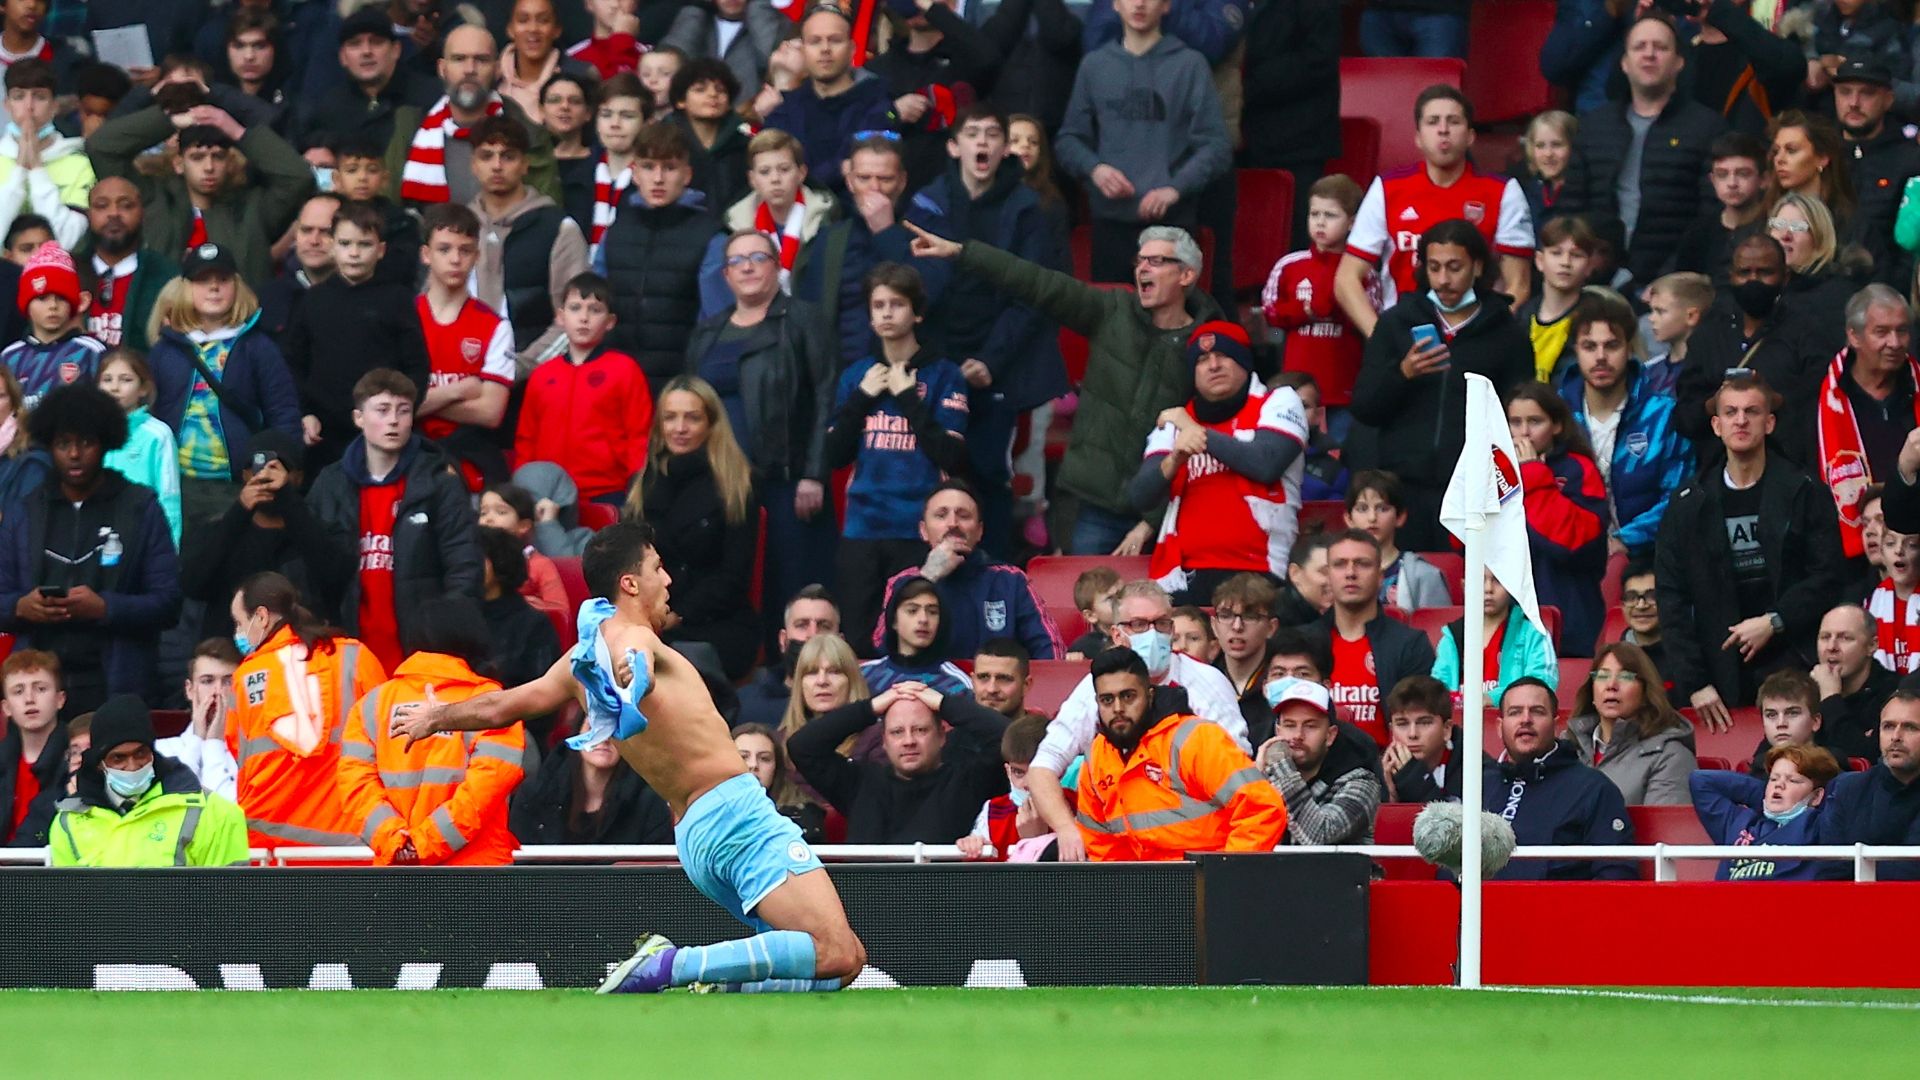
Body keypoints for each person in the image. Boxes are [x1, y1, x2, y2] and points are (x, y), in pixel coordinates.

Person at [392, 522, 869, 994]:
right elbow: (634, 655)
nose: (669, 580)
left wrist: (438, 716)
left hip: (698, 835)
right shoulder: (632, 638)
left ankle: (713, 987)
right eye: (658, 568)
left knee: (836, 968)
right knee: (837, 952)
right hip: (735, 817)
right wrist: (633, 673)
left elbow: (501, 704)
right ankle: (672, 966)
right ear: (630, 583)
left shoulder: (579, 661)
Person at [902, 219, 1218, 557]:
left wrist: (1152, 521)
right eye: (1140, 260)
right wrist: (961, 253)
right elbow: (1037, 282)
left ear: (1186, 275)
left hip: (1169, 510)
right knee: (1085, 606)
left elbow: (1210, 434)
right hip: (1095, 504)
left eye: (1156, 261)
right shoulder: (1112, 311)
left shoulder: (1211, 346)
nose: (1143, 268)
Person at [906, 102, 1069, 553]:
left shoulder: (1027, 208)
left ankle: (994, 577)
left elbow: (1032, 293)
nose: (983, 141)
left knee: (991, 476)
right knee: (930, 473)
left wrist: (990, 361)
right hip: (936, 363)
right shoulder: (927, 202)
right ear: (954, 146)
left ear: (1005, 149)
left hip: (999, 366)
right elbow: (915, 289)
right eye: (972, 133)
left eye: (992, 134)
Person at [1657, 372, 1846, 729]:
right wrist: (1695, 682)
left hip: (1793, 660)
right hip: (1716, 672)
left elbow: (1828, 577)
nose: (1741, 420)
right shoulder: (1686, 504)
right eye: (1731, 412)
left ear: (1770, 422)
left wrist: (1775, 621)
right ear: (1716, 425)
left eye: (1752, 411)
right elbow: (1671, 598)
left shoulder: (1805, 491)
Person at [1021, 579, 1247, 860]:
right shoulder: (1096, 687)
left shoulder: (1209, 683)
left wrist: (1227, 864)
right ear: (1117, 635)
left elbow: (1240, 778)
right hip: (1123, 852)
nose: (1152, 634)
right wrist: (1067, 830)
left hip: (1198, 851)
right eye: (1139, 624)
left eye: (1161, 623)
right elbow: (1042, 767)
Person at [1349, 219, 1534, 550]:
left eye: (1454, 267)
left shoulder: (1507, 333)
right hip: (1402, 488)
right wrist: (1402, 373)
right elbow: (1365, 406)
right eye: (1434, 268)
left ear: (1477, 267)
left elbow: (1518, 410)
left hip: (1473, 489)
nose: (1444, 279)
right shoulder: (1396, 323)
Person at [685, 230, 837, 626]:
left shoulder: (803, 319)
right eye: (737, 260)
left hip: (786, 481)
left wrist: (814, 474)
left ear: (777, 266)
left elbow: (825, 397)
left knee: (791, 585)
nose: (747, 266)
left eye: (758, 257)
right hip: (720, 484)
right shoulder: (707, 331)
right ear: (726, 275)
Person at [0, 383, 178, 713]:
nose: (74, 454)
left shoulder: (140, 506)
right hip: (40, 688)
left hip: (118, 683)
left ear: (105, 442)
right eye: (63, 443)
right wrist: (21, 608)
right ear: (49, 445)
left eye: (86, 443)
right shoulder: (25, 511)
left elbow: (168, 603)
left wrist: (106, 608)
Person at [825, 262, 967, 640]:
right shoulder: (857, 376)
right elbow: (833, 454)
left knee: (913, 635)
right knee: (857, 635)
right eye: (878, 305)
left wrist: (907, 396)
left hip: (916, 530)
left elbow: (949, 455)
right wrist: (861, 399)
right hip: (862, 527)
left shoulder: (944, 375)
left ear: (917, 312)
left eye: (897, 304)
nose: (887, 313)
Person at [306, 368, 483, 671]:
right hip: (347, 649)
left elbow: (464, 565)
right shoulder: (329, 483)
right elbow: (309, 565)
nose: (393, 421)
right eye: (382, 410)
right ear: (359, 418)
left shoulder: (440, 481)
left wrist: (444, 633)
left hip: (422, 650)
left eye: (403, 411)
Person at [339, 597, 525, 866]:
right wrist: (425, 842)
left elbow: (355, 785)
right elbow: (487, 786)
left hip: (398, 873)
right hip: (477, 875)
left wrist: (397, 841)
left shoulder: (372, 705)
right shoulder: (491, 704)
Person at [1335, 86, 1535, 337]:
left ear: (1471, 136)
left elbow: (1519, 284)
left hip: (1476, 336)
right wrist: (1382, 337)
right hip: (1405, 336)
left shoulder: (1503, 191)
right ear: (1418, 137)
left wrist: (1487, 335)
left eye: (1453, 121)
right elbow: (1346, 279)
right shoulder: (1387, 189)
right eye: (1432, 122)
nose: (1443, 129)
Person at [1131, 320, 1307, 604]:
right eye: (1202, 360)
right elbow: (1141, 495)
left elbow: (1266, 464)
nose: (1213, 365)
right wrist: (1175, 457)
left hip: (1258, 572)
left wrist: (1197, 433)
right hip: (1185, 576)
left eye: (1223, 355)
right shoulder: (1175, 422)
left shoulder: (1278, 401)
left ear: (1244, 362)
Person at [86, 72, 313, 290]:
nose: (209, 167)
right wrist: (168, 117)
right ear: (178, 163)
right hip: (166, 322)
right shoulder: (153, 201)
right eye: (197, 157)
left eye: (218, 156)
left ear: (230, 162)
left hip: (239, 323)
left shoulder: (252, 209)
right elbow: (102, 148)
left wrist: (234, 128)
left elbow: (298, 177)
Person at [145, 242, 303, 540]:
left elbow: (283, 412)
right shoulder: (165, 351)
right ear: (185, 288)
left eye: (223, 280)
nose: (214, 288)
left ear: (237, 285)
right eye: (203, 280)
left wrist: (280, 468)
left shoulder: (258, 347)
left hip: (238, 484)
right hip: (177, 484)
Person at [1557, 14, 1724, 291]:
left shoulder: (1707, 128)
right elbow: (1570, 210)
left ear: (1679, 62)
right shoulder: (1594, 126)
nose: (1649, 54)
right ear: (1624, 63)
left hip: (1673, 289)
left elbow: (1709, 219)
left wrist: (1670, 279)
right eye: (1639, 47)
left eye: (1660, 47)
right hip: (1592, 282)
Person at [1075, 647, 1287, 861]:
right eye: (1107, 700)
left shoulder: (1195, 739)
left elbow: (1262, 808)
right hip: (1147, 888)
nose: (1118, 708)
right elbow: (1102, 847)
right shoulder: (1096, 758)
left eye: (1128, 696)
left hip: (1209, 883)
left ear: (1150, 695)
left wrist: (1224, 878)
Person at [226, 570, 387, 848]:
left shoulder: (244, 678)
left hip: (271, 846)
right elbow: (387, 741)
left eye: (240, 623)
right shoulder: (355, 657)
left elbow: (236, 749)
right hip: (353, 844)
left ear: (262, 617)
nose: (238, 634)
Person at [622, 375, 760, 680]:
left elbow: (734, 576)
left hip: (715, 622)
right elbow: (624, 562)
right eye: (670, 418)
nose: (680, 428)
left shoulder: (737, 485)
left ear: (711, 425)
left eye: (692, 418)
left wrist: (676, 614)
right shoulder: (642, 485)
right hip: (649, 618)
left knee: (680, 668)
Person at [283, 203, 431, 474]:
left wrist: (398, 414)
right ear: (331, 246)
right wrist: (305, 413)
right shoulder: (313, 300)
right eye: (345, 243)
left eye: (364, 244)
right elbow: (293, 364)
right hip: (323, 433)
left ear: (381, 250)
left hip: (383, 430)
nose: (353, 253)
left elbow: (417, 367)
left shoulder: (397, 300)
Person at [789, 674, 1010, 843]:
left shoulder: (968, 781)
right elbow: (803, 746)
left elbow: (1008, 737)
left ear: (942, 736)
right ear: (883, 740)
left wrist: (943, 703)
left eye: (920, 730)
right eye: (897, 732)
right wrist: (871, 707)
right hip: (866, 901)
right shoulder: (858, 783)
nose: (909, 741)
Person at [594, 121, 723, 392]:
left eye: (670, 167)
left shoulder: (711, 236)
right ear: (635, 172)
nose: (658, 178)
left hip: (680, 386)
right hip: (616, 381)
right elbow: (596, 307)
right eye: (649, 166)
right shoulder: (616, 231)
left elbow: (714, 324)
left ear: (687, 174)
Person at [47, 694, 249, 867]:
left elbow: (227, 904)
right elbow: (72, 908)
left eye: (141, 753)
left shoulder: (214, 813)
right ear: (100, 764)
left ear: (154, 753)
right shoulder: (68, 824)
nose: (132, 765)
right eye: (119, 758)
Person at [873, 481, 1060, 661]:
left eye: (963, 516)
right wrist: (927, 578)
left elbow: (1051, 650)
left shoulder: (1010, 580)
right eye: (941, 515)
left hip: (993, 688)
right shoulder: (902, 582)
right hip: (924, 688)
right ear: (923, 530)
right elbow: (882, 649)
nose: (953, 524)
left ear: (979, 531)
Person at [517, 273, 654, 505]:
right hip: (547, 494)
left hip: (608, 490)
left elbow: (639, 434)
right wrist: (524, 485)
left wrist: (636, 482)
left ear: (610, 321)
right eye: (575, 308)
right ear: (560, 317)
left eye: (595, 310)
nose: (584, 317)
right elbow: (526, 438)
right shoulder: (542, 374)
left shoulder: (624, 369)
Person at [467, 112, 589, 369]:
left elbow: (575, 318)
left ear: (525, 164)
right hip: (465, 374)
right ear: (473, 165)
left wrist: (520, 367)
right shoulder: (458, 225)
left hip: (536, 380)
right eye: (486, 156)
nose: (497, 165)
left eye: (508, 156)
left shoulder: (558, 228)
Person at [392, 23, 559, 210]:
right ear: (442, 69)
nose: (470, 69)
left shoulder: (528, 134)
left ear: (497, 69)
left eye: (481, 59)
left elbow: (547, 216)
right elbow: (388, 208)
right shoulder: (410, 127)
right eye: (459, 59)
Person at [1486, 677, 1636, 880]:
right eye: (1515, 712)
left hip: (1557, 909)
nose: (1526, 719)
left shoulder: (1593, 788)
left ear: (1556, 725)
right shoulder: (1478, 786)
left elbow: (1615, 876)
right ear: (1499, 726)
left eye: (1537, 711)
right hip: (1476, 910)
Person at [1814, 285, 1919, 560]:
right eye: (1882, 332)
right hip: (1844, 557)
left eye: (1902, 331)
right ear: (1854, 336)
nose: (1895, 343)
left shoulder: (1915, 387)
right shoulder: (1818, 396)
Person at [1307, 529, 1438, 748]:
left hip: (1385, 769)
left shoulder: (1410, 644)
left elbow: (1421, 723)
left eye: (1362, 564)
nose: (1350, 573)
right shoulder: (1304, 642)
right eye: (1340, 564)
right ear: (1329, 576)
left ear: (1380, 578)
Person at [413, 203, 514, 485]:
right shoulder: (403, 319)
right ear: (426, 254)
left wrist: (419, 401)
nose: (455, 259)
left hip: (471, 459)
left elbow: (491, 413)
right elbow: (389, 404)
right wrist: (459, 390)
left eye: (465, 250)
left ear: (477, 256)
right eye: (444, 249)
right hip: (409, 453)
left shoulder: (496, 326)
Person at [1508, 381, 1608, 656]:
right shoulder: (1495, 470)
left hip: (1570, 615)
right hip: (1510, 615)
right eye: (1515, 422)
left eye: (1535, 421)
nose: (1524, 432)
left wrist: (1532, 476)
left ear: (1557, 426)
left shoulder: (1578, 468)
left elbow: (1572, 542)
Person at [1263, 174, 1366, 424]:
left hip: (1343, 386)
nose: (1320, 223)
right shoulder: (1290, 265)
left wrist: (1339, 306)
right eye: (1314, 214)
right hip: (1296, 390)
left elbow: (1374, 316)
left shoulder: (1362, 270)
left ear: (1352, 222)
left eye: (1330, 216)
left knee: (1340, 454)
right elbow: (1270, 311)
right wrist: (1304, 310)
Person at [760, 5, 896, 191]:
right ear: (804, 50)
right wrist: (839, 168)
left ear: (852, 49)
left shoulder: (878, 102)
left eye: (835, 40)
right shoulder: (786, 109)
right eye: (815, 41)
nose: (825, 49)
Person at [710, 126, 836, 302]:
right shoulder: (736, 224)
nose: (775, 179)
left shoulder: (827, 219)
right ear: (752, 179)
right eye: (764, 172)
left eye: (784, 169)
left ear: (801, 173)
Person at [293, 8, 439, 154]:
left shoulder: (432, 99)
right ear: (343, 57)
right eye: (355, 44)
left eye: (376, 42)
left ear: (396, 50)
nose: (366, 51)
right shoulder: (329, 107)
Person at [1566, 641, 1696, 805]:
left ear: (1645, 692)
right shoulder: (1566, 748)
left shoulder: (1670, 756)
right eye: (1603, 676)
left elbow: (1665, 829)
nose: (1611, 685)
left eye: (1625, 676)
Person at [1257, 676, 1381, 845]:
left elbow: (1320, 835)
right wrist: (1256, 782)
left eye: (1310, 726)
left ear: (1330, 735)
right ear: (1277, 731)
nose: (1297, 735)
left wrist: (1282, 768)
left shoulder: (1362, 782)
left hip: (1335, 871)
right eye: (1289, 725)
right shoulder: (1265, 775)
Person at [1829, 59, 1919, 288]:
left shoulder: (1911, 161)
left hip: (1890, 293)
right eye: (1845, 92)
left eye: (1867, 93)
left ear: (1888, 99)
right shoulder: (1819, 155)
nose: (1854, 103)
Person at [1691, 743, 1840, 881]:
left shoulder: (1822, 826)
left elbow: (1848, 789)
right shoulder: (1740, 822)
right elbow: (1700, 781)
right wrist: (1764, 794)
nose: (1779, 785)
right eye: (1773, 779)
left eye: (1793, 780)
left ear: (1817, 796)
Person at [1816, 691, 1920, 879]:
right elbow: (1830, 870)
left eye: (1910, 728)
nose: (1896, 736)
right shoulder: (1848, 789)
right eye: (1888, 726)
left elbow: (1911, 871)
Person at [510, 735, 675, 845]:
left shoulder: (650, 802)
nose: (603, 739)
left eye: (613, 730)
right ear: (577, 734)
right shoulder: (536, 793)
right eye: (594, 727)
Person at [0, 59, 91, 250]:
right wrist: (19, 171)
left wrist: (37, 170)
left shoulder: (79, 163)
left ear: (55, 106)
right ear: (7, 105)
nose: (29, 107)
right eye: (19, 97)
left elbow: (65, 240)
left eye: (39, 97)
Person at [1433, 568, 1557, 707]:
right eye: (1480, 580)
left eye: (1498, 580)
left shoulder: (1534, 634)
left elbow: (1541, 688)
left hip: (1517, 723)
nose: (1488, 589)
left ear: (1512, 585)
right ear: (1464, 586)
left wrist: (1491, 699)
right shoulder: (1450, 638)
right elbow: (1436, 695)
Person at [95, 348, 181, 546]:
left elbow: (169, 499)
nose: (114, 388)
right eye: (107, 380)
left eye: (126, 380)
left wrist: (169, 551)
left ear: (143, 388)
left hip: (141, 539)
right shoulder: (89, 433)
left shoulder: (158, 435)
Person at [81, 178, 176, 352]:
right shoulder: (70, 273)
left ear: (142, 213)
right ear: (89, 214)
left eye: (126, 205)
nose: (114, 213)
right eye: (102, 206)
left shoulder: (166, 276)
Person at [4, 241, 101, 411]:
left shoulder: (92, 352)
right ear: (26, 304)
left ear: (74, 303)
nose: (53, 306)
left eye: (62, 298)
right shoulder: (10, 356)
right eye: (42, 298)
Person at [1343, 469, 1450, 613]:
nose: (1372, 517)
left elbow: (1439, 630)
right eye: (1362, 509)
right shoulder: (1337, 573)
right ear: (1349, 519)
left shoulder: (1423, 575)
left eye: (1382, 509)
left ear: (1400, 517)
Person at [475, 527, 562, 698]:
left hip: (510, 719)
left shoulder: (533, 625)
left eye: (475, 558)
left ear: (500, 563)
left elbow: (542, 698)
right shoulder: (454, 618)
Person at [739, 587, 842, 731]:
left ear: (841, 641)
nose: (812, 635)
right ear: (783, 640)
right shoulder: (746, 704)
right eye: (802, 625)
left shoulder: (860, 704)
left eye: (824, 626)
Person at [1670, 132, 1767, 283]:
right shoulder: (1699, 231)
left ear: (1764, 179)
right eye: (1722, 174)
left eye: (1743, 174)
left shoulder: (1773, 228)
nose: (1732, 183)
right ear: (1712, 180)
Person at [1812, 603, 1901, 766]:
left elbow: (1867, 758)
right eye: (1825, 637)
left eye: (1845, 638)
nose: (1831, 647)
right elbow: (1767, 756)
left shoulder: (1896, 694)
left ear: (1872, 646)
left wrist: (1830, 698)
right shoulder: (1804, 688)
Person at [955, 711, 1047, 860]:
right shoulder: (992, 811)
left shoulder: (1076, 808)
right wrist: (972, 847)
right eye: (1019, 772)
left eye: (1036, 772)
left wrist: (1037, 841)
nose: (1027, 784)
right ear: (1008, 771)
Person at [156, 637, 239, 799]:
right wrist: (197, 740)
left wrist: (214, 743)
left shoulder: (252, 754)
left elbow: (224, 811)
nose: (218, 691)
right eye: (207, 681)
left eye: (228, 681)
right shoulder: (162, 749)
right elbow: (175, 802)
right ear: (190, 689)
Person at [1516, 215, 1595, 384]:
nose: (1565, 262)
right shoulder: (1523, 315)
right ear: (1539, 260)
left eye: (1576, 255)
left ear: (1589, 266)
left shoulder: (1595, 318)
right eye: (1556, 253)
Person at [667, 58, 752, 214]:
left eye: (721, 90)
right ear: (680, 101)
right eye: (700, 89)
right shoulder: (663, 144)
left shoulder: (745, 146)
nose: (713, 94)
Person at [1208, 573, 1280, 748]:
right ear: (1214, 625)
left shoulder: (1282, 684)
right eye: (1226, 615)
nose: (1237, 626)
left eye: (1250, 616)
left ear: (1271, 628)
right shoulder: (1203, 681)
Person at [0, 649, 64, 841]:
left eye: (41, 689)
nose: (29, 699)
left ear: (60, 699)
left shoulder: (76, 757)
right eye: (18, 691)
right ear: (6, 708)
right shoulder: (4, 759)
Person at [478, 482, 568, 614]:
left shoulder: (539, 565)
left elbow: (561, 612)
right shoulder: (474, 560)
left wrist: (526, 604)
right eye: (483, 513)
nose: (489, 519)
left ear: (524, 525)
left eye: (501, 512)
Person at [496, 0, 590, 123]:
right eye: (523, 20)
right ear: (510, 29)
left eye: (543, 20)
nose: (533, 28)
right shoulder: (492, 78)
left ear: (557, 30)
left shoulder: (580, 76)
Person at [734, 722, 826, 843]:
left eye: (764, 758)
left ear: (776, 768)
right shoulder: (705, 809)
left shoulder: (803, 817)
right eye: (743, 757)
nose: (753, 765)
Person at [1381, 674, 1460, 803]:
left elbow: (1448, 822)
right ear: (1392, 731)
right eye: (1402, 724)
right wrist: (1390, 799)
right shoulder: (1376, 773)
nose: (1412, 734)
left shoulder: (1478, 771)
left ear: (1447, 729)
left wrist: (1412, 780)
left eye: (1424, 723)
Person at [1746, 668, 1829, 778]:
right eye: (1771, 715)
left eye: (1792, 713)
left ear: (1815, 721)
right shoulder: (1756, 772)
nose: (1781, 723)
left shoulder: (1832, 771)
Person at [541, 71, 597, 232]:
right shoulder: (528, 162)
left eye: (575, 101)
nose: (564, 107)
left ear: (588, 113)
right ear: (541, 110)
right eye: (554, 100)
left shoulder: (601, 164)